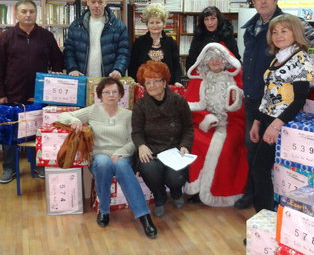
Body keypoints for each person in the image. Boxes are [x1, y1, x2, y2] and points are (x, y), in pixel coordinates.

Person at [234, 0, 314, 209]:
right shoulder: (251, 29)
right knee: (253, 152)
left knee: (268, 161)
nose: (263, 0)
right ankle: (253, 194)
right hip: (257, 102)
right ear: (253, 1)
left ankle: (269, 207)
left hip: (279, 112)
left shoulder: (288, 23)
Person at [59, 77, 158, 238]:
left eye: (114, 92)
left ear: (120, 95)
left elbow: (134, 139)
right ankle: (104, 210)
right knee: (103, 163)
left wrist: (121, 152)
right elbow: (63, 117)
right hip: (99, 156)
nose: (111, 95)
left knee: (120, 165)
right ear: (100, 95)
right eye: (106, 92)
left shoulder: (129, 115)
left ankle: (144, 217)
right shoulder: (92, 110)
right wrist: (75, 120)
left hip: (122, 155)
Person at [0, 0, 64, 184]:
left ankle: (38, 165)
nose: (28, 14)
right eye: (24, 11)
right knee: (10, 132)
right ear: (17, 14)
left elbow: (58, 61)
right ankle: (9, 168)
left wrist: (53, 85)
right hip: (12, 95)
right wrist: (0, 94)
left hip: (39, 95)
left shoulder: (46, 36)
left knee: (38, 131)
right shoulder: (7, 37)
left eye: (31, 11)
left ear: (36, 14)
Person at [249, 14, 313, 211]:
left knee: (260, 169)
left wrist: (275, 126)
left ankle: (264, 217)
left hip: (282, 124)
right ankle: (265, 217)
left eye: (284, 31)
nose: (278, 35)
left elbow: (299, 100)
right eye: (274, 32)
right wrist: (258, 122)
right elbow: (269, 93)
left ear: (296, 32)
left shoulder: (301, 59)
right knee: (261, 169)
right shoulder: (278, 57)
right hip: (268, 120)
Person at [183, 43, 247, 207]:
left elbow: (241, 111)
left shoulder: (235, 80)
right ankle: (197, 189)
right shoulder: (199, 81)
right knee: (196, 142)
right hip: (203, 124)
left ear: (226, 60)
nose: (215, 61)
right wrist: (207, 118)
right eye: (211, 59)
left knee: (226, 148)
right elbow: (189, 107)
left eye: (219, 58)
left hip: (231, 123)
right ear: (205, 61)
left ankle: (219, 191)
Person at [131, 61, 194, 218]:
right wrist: (141, 146)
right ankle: (159, 196)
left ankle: (176, 191)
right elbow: (137, 132)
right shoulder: (140, 105)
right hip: (152, 150)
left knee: (176, 178)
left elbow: (188, 128)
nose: (152, 85)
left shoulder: (179, 102)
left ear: (165, 82)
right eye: (148, 82)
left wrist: (185, 146)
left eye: (156, 80)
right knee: (148, 168)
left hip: (174, 149)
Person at [64, 0, 129, 78]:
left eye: (100, 2)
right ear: (87, 2)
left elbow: (123, 52)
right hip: (82, 78)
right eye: (93, 2)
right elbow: (69, 51)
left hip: (109, 80)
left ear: (105, 3)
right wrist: (72, 68)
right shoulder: (76, 26)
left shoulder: (118, 26)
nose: (96, 5)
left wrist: (118, 69)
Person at [128, 3, 182, 84]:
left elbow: (176, 67)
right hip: (145, 86)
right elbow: (133, 66)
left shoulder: (171, 43)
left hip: (166, 86)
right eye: (151, 22)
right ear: (147, 24)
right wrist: (135, 84)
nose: (155, 26)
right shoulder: (139, 42)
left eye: (158, 22)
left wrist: (177, 82)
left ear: (164, 24)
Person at [185, 6, 239, 72]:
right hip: (202, 73)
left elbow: (235, 58)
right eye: (206, 19)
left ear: (218, 20)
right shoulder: (199, 35)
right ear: (203, 21)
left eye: (213, 19)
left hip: (225, 73)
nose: (209, 22)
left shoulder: (227, 34)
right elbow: (192, 58)